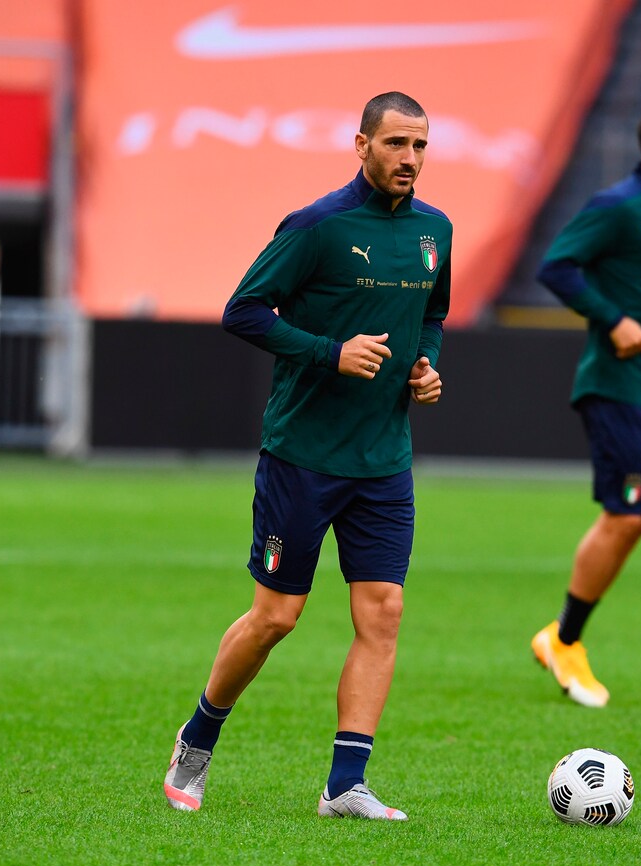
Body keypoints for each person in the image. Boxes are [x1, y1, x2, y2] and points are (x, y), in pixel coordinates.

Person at [163, 91, 451, 820]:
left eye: (419, 145)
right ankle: (197, 740)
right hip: (304, 455)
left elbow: (433, 313)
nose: (409, 158)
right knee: (277, 616)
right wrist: (330, 352)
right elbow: (243, 310)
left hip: (384, 459)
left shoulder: (436, 230)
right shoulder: (317, 226)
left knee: (383, 613)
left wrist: (425, 366)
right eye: (396, 144)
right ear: (362, 145)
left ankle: (345, 785)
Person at [530, 105, 641, 707]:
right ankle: (565, 641)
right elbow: (556, 267)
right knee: (625, 515)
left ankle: (560, 636)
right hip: (616, 387)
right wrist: (612, 319)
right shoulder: (618, 204)